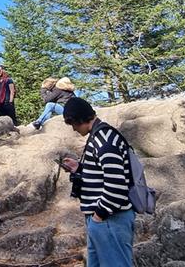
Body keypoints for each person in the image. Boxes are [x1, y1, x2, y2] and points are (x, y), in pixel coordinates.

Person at [59, 97, 135, 267]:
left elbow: (116, 184)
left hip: (110, 218)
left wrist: (99, 216)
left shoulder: (104, 140)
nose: (73, 128)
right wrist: (79, 168)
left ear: (80, 119)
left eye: (73, 123)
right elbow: (103, 173)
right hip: (103, 219)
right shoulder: (98, 136)